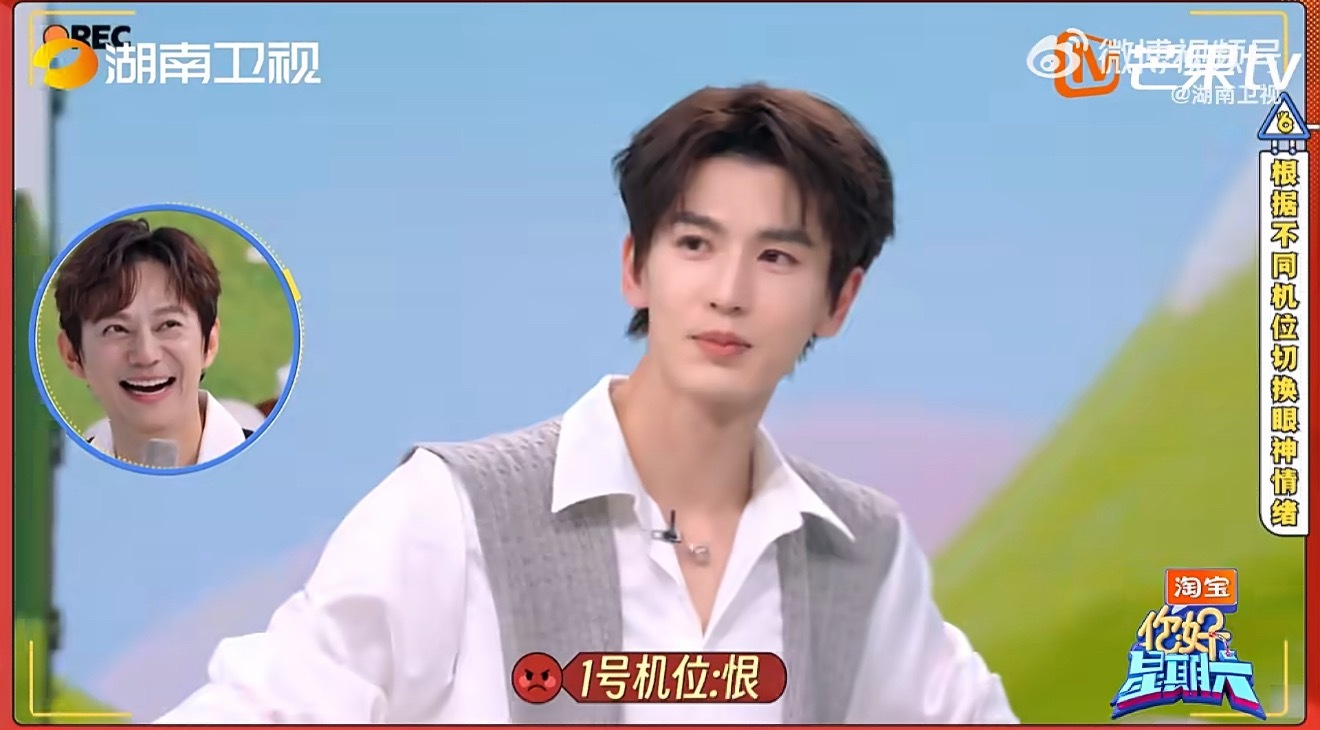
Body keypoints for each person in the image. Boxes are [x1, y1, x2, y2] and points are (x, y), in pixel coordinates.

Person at [157, 84, 1018, 723]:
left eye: (778, 258)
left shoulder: (861, 550)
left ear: (840, 300)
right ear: (635, 267)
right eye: (695, 243)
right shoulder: (454, 512)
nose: (728, 291)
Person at [53, 218, 252, 468]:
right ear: (72, 354)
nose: (146, 355)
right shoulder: (55, 484)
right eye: (116, 329)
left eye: (169, 324)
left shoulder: (281, 472)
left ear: (209, 342)